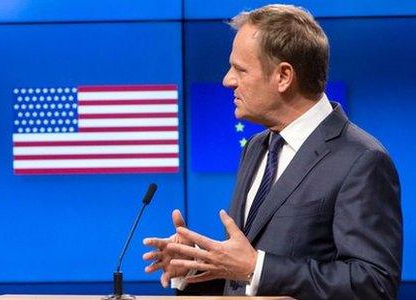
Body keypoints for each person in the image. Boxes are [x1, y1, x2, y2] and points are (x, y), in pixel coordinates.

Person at [142, 4, 402, 299]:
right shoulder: (256, 148)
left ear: (283, 76)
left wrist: (257, 268)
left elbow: (372, 285)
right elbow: (244, 277)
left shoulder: (361, 159)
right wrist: (197, 265)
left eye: (240, 69)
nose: (228, 80)